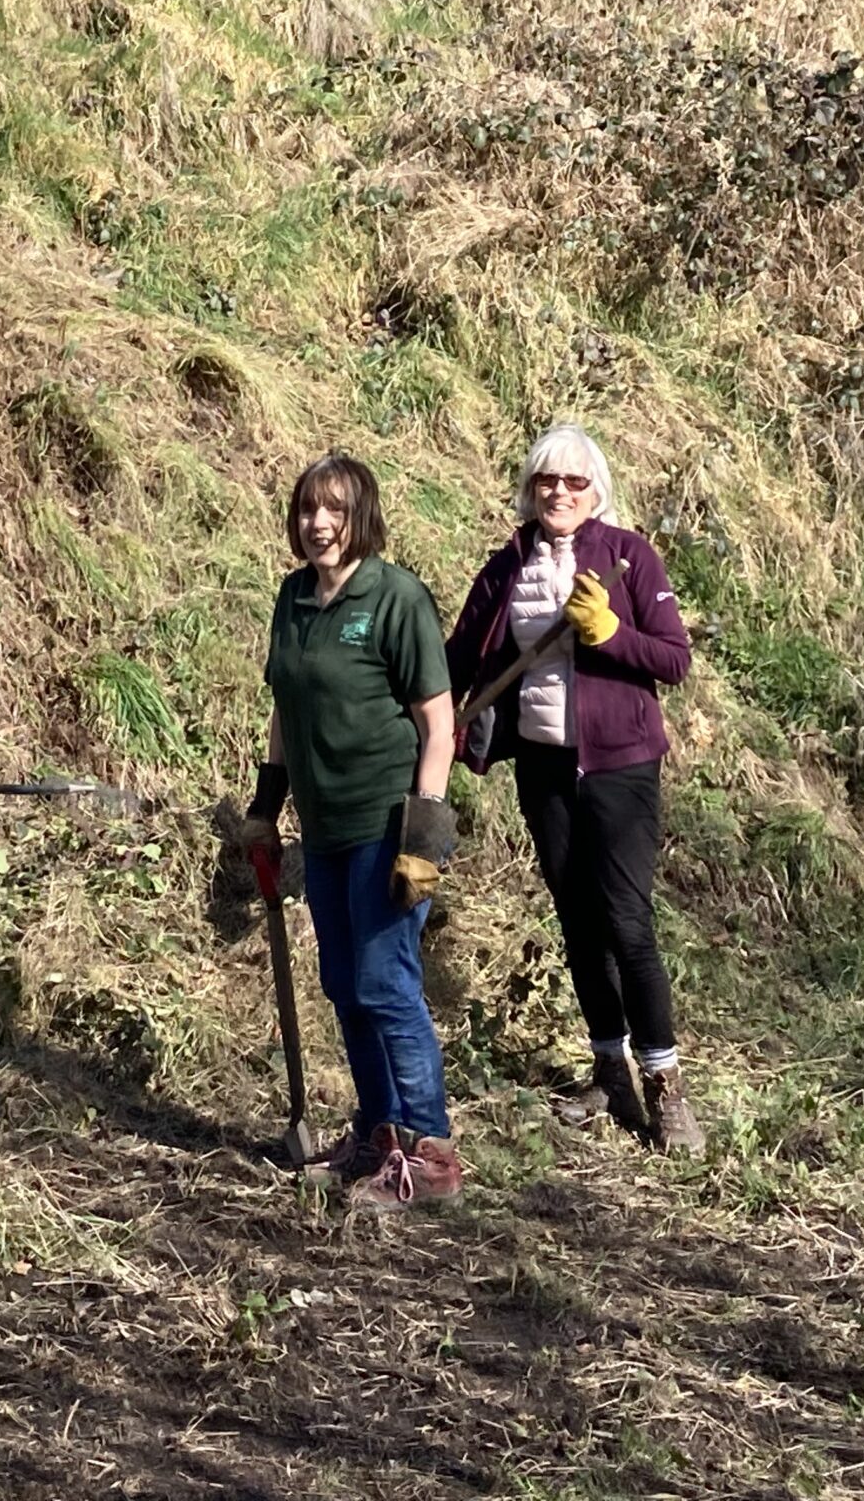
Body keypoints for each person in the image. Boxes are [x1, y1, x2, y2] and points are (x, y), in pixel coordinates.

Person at [446, 424, 705, 1155]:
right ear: (529, 492)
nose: (558, 493)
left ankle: (665, 1086)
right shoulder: (509, 566)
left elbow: (674, 659)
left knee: (627, 921)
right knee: (576, 919)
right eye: (545, 482)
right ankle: (608, 1071)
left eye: (573, 482)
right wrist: (412, 708)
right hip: (545, 768)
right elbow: (462, 654)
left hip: (620, 766)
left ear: (597, 492)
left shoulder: (628, 556)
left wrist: (611, 633)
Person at [238, 454, 462, 1209]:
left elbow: (439, 725)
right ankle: (378, 1136)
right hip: (324, 826)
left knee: (384, 982)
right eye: (307, 510)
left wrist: (424, 837)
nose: (319, 524)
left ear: (360, 515)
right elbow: (284, 710)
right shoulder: (293, 596)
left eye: (334, 510)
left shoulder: (395, 598)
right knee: (344, 983)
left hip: (384, 821)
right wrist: (267, 807)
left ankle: (430, 1155)